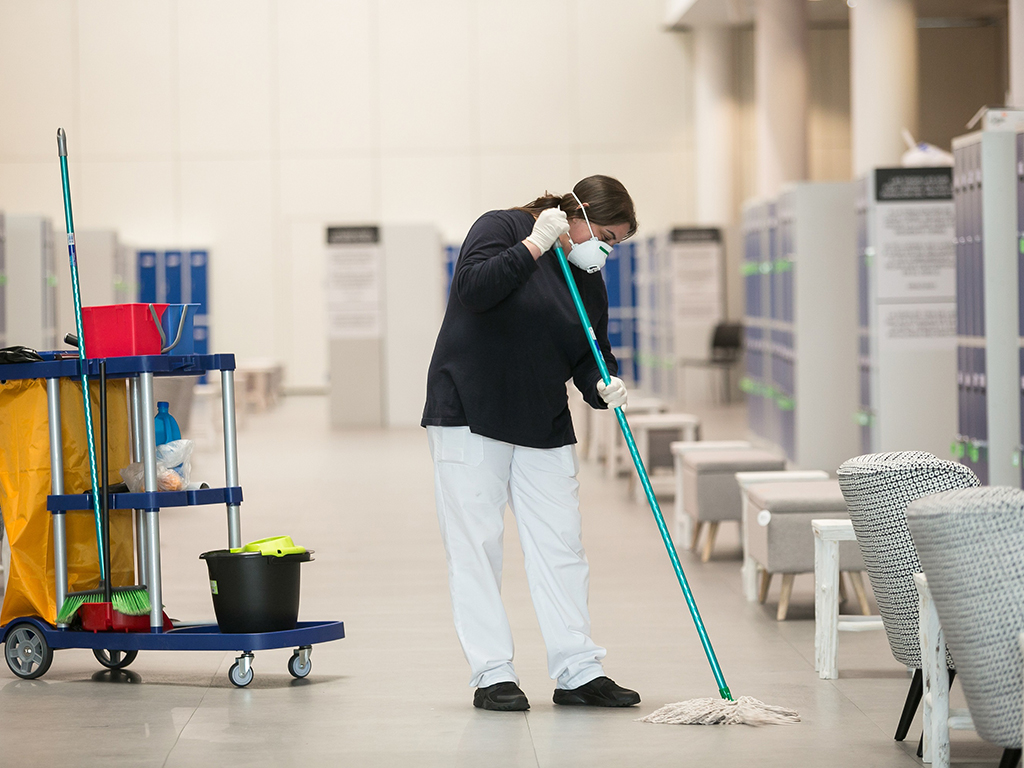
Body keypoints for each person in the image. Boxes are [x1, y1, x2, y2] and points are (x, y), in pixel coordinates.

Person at [422, 175, 641, 712]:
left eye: (617, 244)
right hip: (470, 413)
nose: (606, 251)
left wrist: (601, 383)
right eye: (606, 236)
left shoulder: (586, 276)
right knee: (476, 547)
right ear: (581, 213)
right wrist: (535, 245)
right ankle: (492, 673)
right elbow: (474, 288)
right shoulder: (504, 227)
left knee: (562, 546)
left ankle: (578, 672)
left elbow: (589, 350)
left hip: (541, 418)